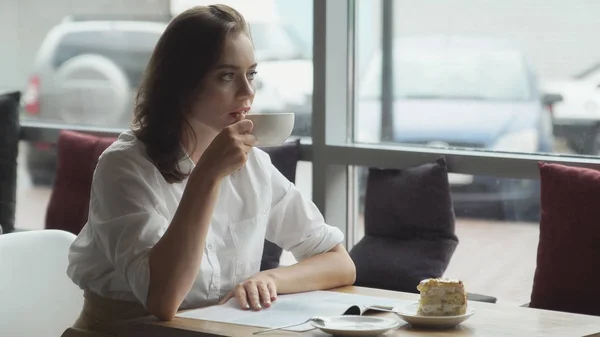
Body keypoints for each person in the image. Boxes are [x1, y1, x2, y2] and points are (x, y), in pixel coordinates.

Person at [65, 4, 356, 334]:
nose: (247, 92)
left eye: (252, 75)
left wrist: (268, 278)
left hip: (216, 330)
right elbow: (163, 300)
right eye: (227, 76)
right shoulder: (124, 167)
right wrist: (207, 175)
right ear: (181, 83)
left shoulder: (253, 164)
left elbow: (339, 262)